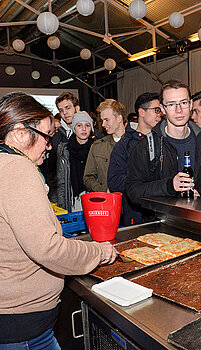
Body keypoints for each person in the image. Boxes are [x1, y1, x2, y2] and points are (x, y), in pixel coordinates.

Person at [0, 92, 116, 348]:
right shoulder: (17, 168)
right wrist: (100, 252)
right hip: (22, 326)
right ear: (20, 132)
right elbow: (47, 248)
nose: (49, 145)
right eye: (45, 137)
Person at [125, 79, 201, 205]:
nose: (179, 110)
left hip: (197, 220)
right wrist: (169, 186)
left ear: (191, 104)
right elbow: (133, 191)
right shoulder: (147, 147)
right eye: (171, 104)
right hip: (160, 222)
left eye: (183, 102)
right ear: (162, 109)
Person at [108, 92, 161, 225]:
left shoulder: (163, 141)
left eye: (160, 110)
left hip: (162, 214)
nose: (159, 114)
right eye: (156, 110)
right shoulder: (124, 145)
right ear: (141, 112)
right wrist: (146, 181)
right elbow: (114, 182)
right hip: (137, 216)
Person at [42, 92, 80, 203]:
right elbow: (49, 168)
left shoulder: (91, 134)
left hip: (82, 193)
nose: (65, 113)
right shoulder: (54, 136)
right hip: (60, 194)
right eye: (61, 110)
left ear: (77, 108)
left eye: (68, 108)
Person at [84, 99, 126, 193]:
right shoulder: (97, 146)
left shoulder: (137, 144)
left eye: (107, 120)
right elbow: (88, 177)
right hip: (107, 202)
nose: (103, 125)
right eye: (102, 120)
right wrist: (103, 191)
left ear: (119, 118)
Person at [57, 111, 95, 212]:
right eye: (79, 125)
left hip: (93, 198)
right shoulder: (65, 149)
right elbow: (61, 181)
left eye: (87, 125)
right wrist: (62, 206)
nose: (83, 129)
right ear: (74, 128)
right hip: (73, 199)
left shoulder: (96, 148)